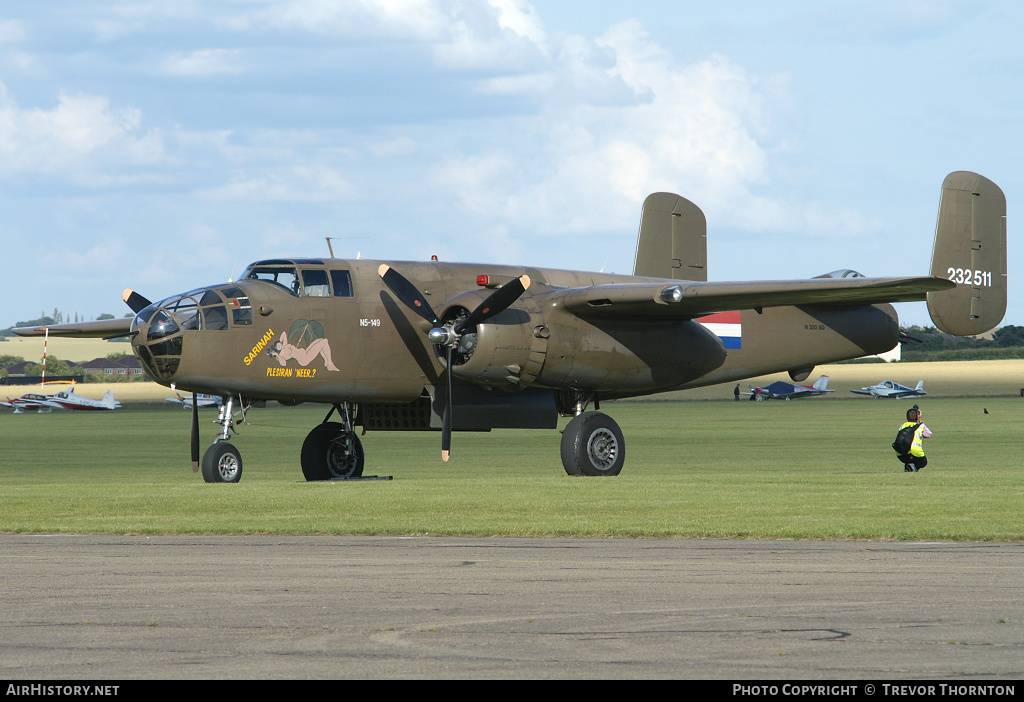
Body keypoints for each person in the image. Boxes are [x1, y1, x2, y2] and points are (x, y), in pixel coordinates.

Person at [897, 405, 931, 472]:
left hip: (901, 452)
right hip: (915, 452)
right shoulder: (920, 427)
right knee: (923, 462)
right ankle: (913, 468)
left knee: (908, 458)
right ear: (917, 417)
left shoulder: (902, 426)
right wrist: (920, 420)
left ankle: (908, 467)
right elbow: (928, 434)